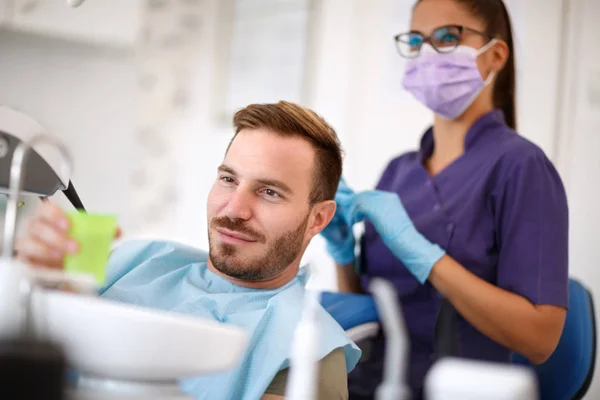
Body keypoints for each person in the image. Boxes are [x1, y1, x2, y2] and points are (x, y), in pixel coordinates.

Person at [16, 101, 361, 400]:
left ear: (318, 218)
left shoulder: (311, 353)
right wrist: (30, 279)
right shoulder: (134, 261)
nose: (233, 209)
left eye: (269, 192)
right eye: (229, 179)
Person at [321, 0, 569, 398]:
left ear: (495, 56)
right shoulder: (398, 171)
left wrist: (427, 257)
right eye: (417, 40)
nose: (428, 53)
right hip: (369, 385)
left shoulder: (522, 167)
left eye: (449, 37)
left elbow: (540, 338)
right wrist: (342, 255)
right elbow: (367, 312)